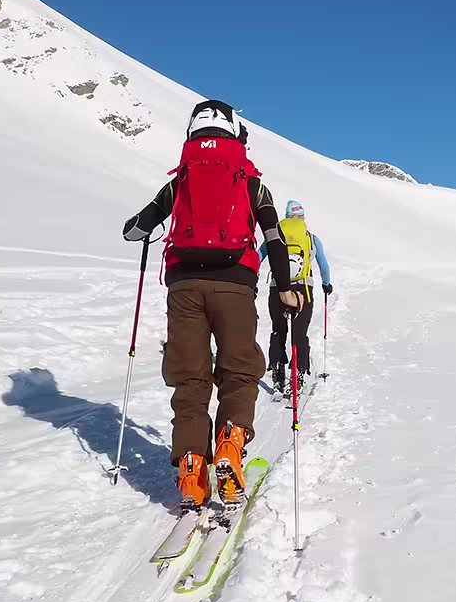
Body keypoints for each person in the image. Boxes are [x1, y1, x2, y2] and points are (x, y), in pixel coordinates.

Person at [121, 100, 294, 509]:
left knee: (190, 378)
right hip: (236, 286)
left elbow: (135, 230)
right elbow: (274, 238)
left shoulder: (180, 180)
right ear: (236, 134)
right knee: (239, 370)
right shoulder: (251, 181)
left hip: (184, 288)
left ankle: (192, 471)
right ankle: (229, 450)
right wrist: (285, 287)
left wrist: (149, 227)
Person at [266, 199, 333, 387]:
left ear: (286, 217)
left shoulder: (275, 235)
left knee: (278, 329)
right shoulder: (310, 238)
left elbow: (258, 256)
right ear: (302, 217)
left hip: (277, 287)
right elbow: (324, 266)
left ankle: (277, 368)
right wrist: (326, 284)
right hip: (303, 289)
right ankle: (299, 372)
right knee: (299, 331)